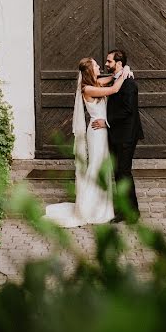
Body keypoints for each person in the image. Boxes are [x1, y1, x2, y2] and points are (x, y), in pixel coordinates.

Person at [44, 57, 133, 228]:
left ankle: (102, 207)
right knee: (96, 167)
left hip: (103, 130)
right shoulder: (88, 89)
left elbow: (114, 78)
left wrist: (125, 69)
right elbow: (114, 88)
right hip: (96, 132)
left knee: (102, 167)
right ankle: (89, 209)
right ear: (90, 70)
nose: (100, 66)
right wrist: (123, 74)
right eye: (96, 65)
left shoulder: (96, 83)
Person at [91, 49, 144, 223]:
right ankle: (123, 209)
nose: (106, 64)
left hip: (126, 136)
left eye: (109, 61)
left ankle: (132, 213)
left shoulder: (128, 83)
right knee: (118, 173)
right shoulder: (117, 79)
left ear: (118, 64)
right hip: (116, 135)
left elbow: (128, 111)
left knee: (124, 172)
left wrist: (106, 122)